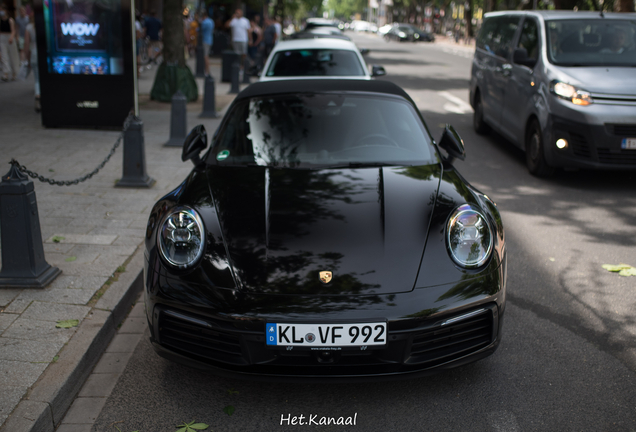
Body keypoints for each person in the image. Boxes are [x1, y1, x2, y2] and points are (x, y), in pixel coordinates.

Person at [22, 10, 38, 111]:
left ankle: (38, 95)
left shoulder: (29, 27)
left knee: (37, 79)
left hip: (34, 54)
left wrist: (26, 58)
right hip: (44, 55)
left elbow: (26, 45)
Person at [0, 3, 19, 81]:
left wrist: (11, 37)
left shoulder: (10, 20)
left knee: (13, 55)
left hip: (9, 37)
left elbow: (13, 30)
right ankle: (6, 73)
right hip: (2, 37)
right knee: (4, 56)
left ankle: (15, 72)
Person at [200, 10, 214, 75]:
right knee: (207, 55)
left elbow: (199, 30)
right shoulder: (211, 21)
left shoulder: (204, 22)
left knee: (205, 56)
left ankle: (207, 71)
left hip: (205, 40)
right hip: (210, 40)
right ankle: (207, 70)